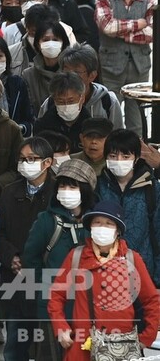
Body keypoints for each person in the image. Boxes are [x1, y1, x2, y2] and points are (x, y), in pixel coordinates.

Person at [47, 201, 160, 361]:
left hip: (121, 348)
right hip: (82, 348)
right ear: (90, 227)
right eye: (97, 222)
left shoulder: (131, 259)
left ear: (118, 230)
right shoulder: (76, 256)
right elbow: (56, 295)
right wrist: (61, 327)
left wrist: (147, 336)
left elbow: (152, 300)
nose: (102, 227)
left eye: (109, 223)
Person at [21, 158, 97, 361]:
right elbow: (31, 259)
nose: (66, 191)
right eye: (62, 186)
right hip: (52, 307)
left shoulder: (97, 222)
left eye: (73, 186)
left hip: (88, 307)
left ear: (85, 190)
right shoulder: (46, 221)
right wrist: (46, 286)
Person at [0, 136, 56, 361]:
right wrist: (10, 256)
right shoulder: (9, 192)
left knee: (47, 347)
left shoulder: (59, 192)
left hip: (47, 277)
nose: (25, 163)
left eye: (31, 158)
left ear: (47, 162)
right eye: (22, 159)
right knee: (15, 345)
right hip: (16, 278)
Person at [94, 0, 156, 136]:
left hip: (140, 67)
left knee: (137, 120)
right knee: (109, 117)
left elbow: (152, 33)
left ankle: (136, 152)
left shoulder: (149, 1)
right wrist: (139, 24)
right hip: (111, 67)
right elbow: (108, 27)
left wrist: (121, 32)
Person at [95, 129, 160, 286]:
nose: (119, 161)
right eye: (113, 156)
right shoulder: (97, 186)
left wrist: (157, 279)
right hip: (105, 272)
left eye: (125, 156)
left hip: (144, 272)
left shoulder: (152, 188)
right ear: (106, 157)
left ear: (136, 158)